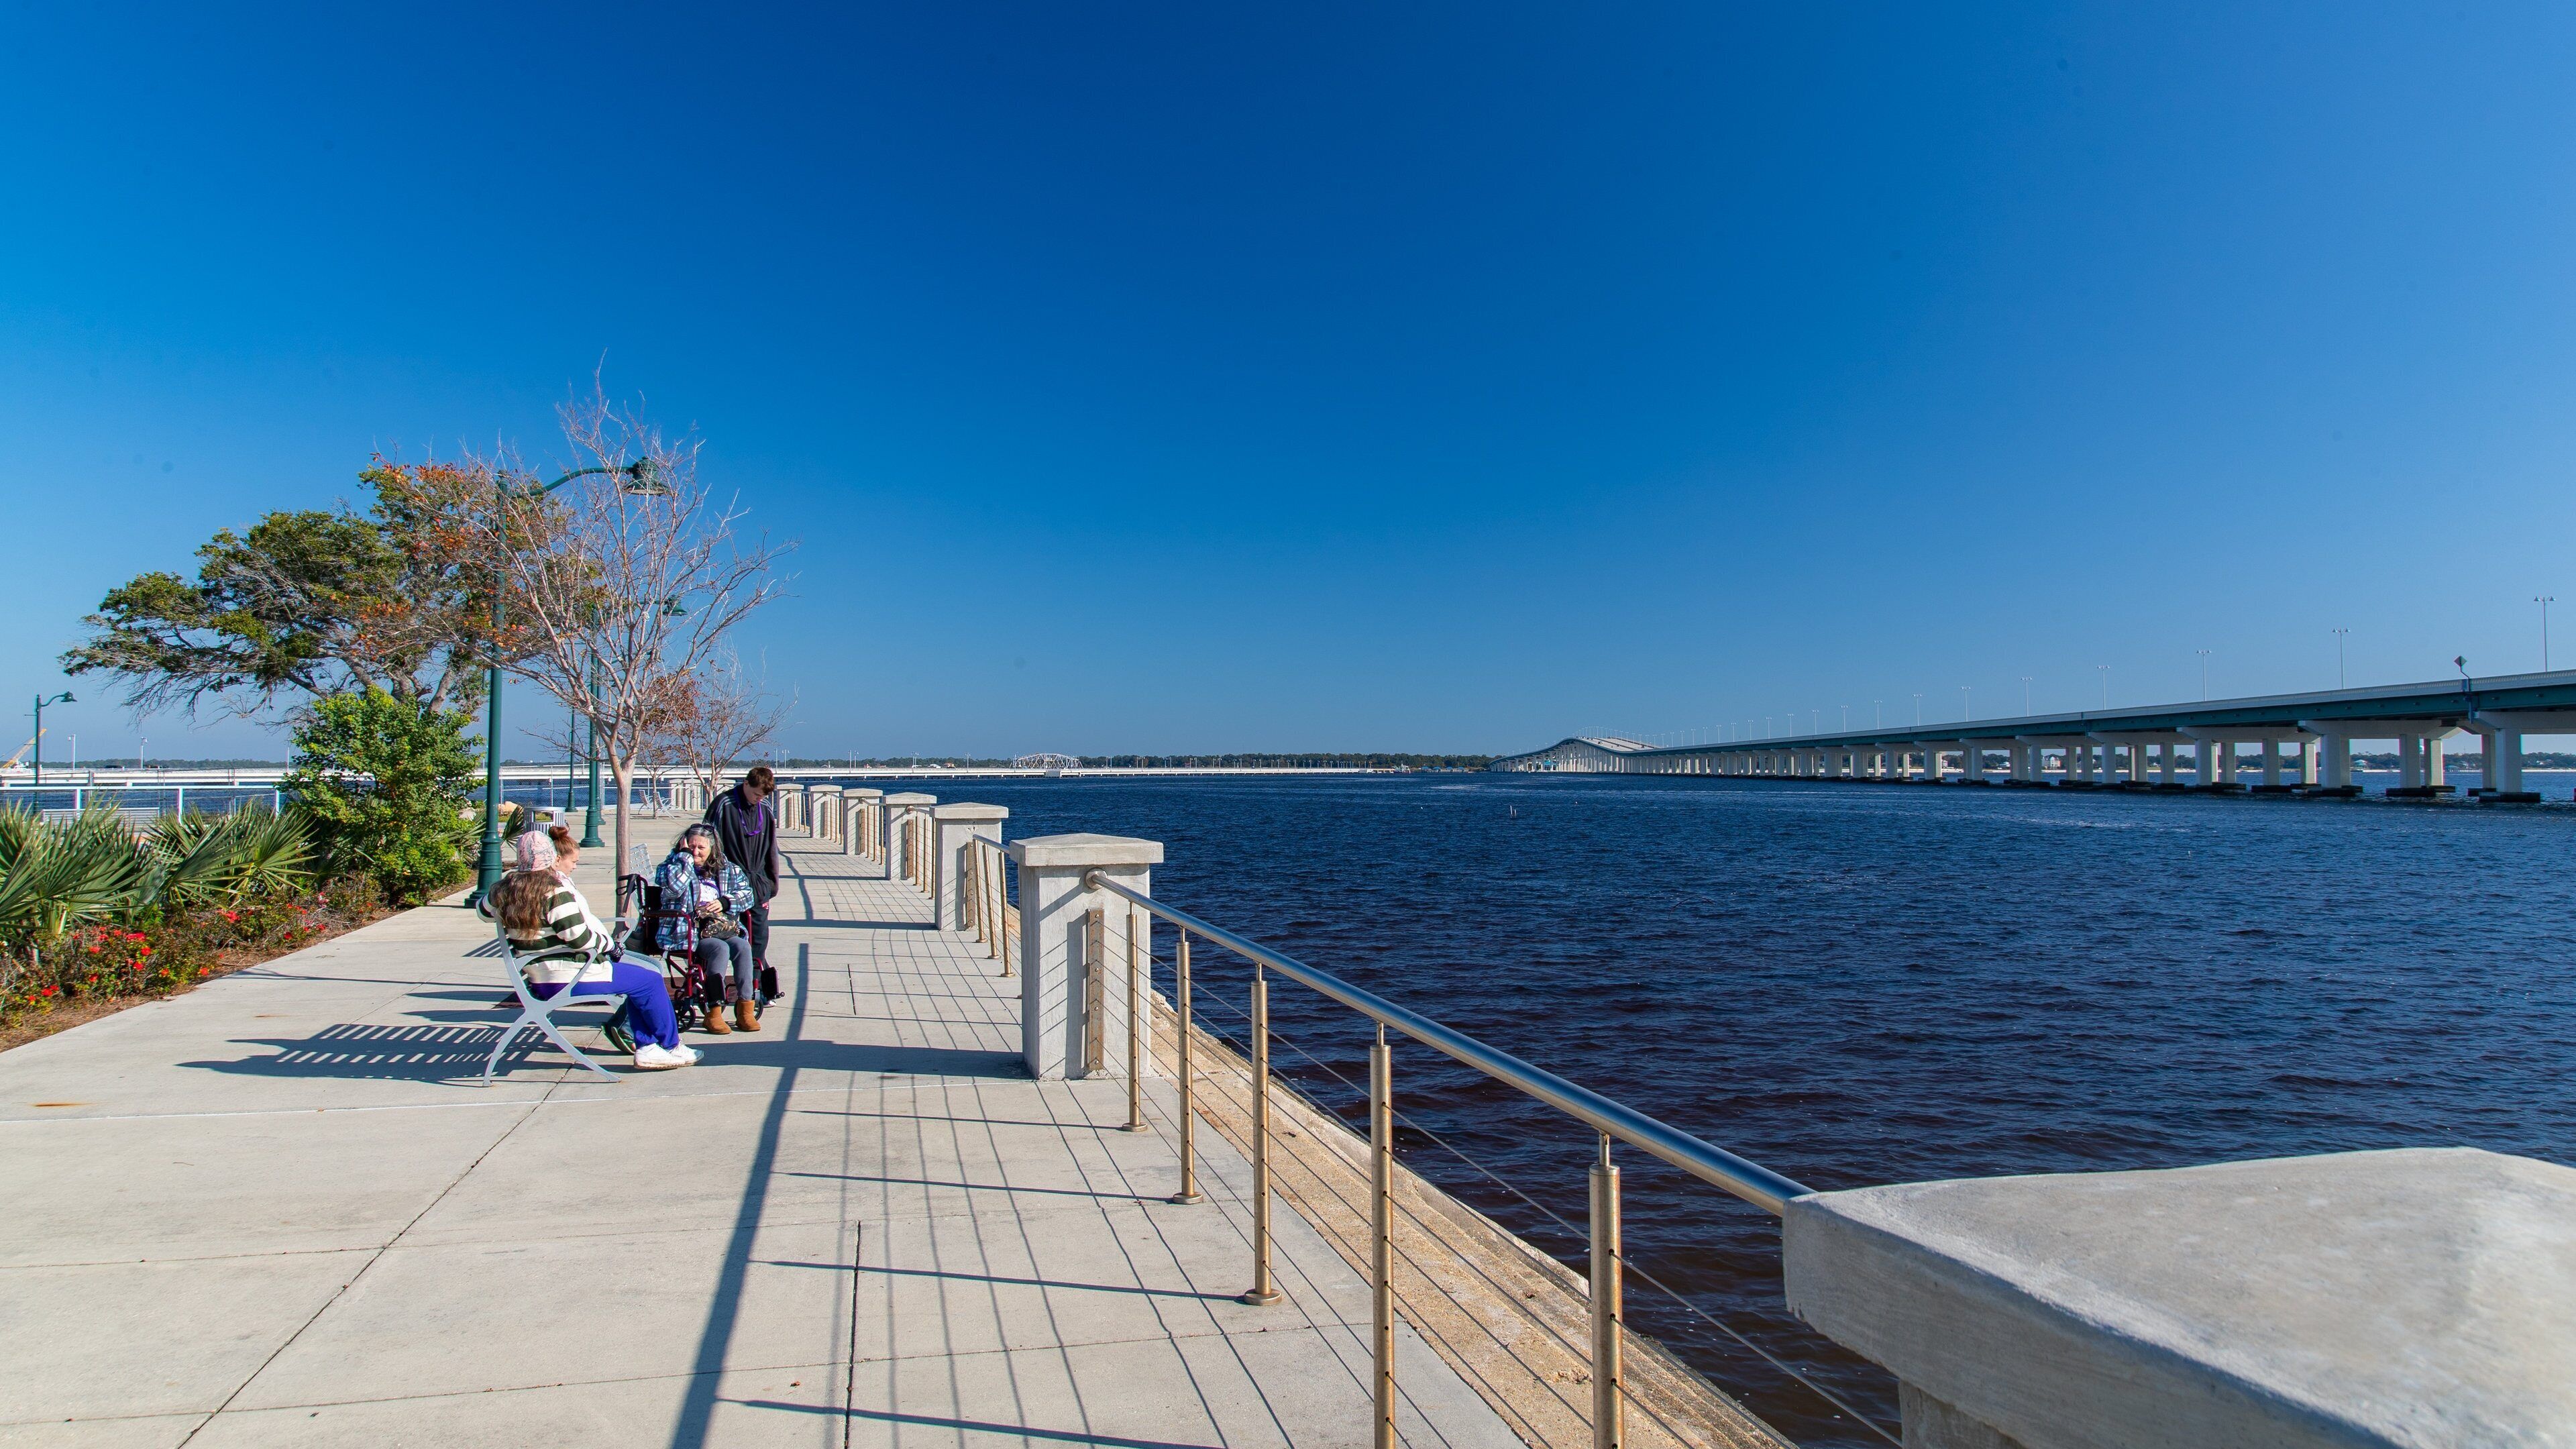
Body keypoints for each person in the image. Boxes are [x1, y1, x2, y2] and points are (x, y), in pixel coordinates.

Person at [480, 830, 698, 1071]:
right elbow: (580, 939)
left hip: (538, 978)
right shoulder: (555, 892)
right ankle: (668, 1045)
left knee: (640, 978)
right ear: (551, 857)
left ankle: (649, 1048)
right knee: (649, 980)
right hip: (570, 977)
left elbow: (483, 912)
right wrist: (611, 945)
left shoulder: (502, 890)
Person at [657, 823, 760, 1034]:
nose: (696, 852)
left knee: (742, 946)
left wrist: (725, 902)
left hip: (721, 927)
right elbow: (674, 886)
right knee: (719, 950)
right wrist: (685, 857)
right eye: (691, 846)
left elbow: (748, 894)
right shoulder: (672, 866)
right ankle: (714, 1010)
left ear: (712, 849)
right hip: (689, 930)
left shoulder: (727, 868)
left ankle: (745, 1009)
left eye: (701, 848)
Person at [703, 765, 785, 1000]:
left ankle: (757, 989)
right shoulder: (724, 804)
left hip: (758, 883)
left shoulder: (765, 808)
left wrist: (771, 884)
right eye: (756, 794)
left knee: (759, 936)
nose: (759, 799)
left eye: (763, 796)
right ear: (746, 784)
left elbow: (772, 848)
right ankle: (721, 989)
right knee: (728, 936)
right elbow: (706, 839)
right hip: (729, 882)